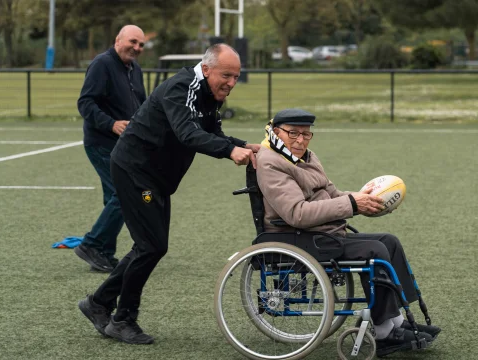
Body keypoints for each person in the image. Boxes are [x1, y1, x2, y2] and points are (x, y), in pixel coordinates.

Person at [78, 44, 259, 344]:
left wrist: (243, 144)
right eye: (226, 75)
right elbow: (187, 133)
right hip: (135, 172)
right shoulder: (182, 87)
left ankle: (98, 303)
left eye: (236, 77)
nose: (231, 82)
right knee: (150, 245)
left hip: (156, 178)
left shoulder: (211, 94)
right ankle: (122, 319)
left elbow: (212, 132)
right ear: (207, 68)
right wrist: (230, 151)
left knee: (152, 246)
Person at [255, 108, 441, 357]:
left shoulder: (306, 156)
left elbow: (333, 194)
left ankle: (396, 320)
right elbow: (296, 213)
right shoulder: (271, 163)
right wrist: (353, 205)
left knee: (389, 241)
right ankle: (385, 332)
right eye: (293, 134)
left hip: (322, 233)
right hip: (297, 237)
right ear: (277, 132)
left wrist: (366, 200)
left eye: (306, 134)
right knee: (375, 250)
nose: (300, 140)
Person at [73, 25, 147, 273]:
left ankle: (103, 252)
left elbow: (141, 104)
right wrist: (111, 124)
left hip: (124, 145)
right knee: (124, 194)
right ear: (118, 40)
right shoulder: (102, 64)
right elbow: (85, 102)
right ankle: (92, 244)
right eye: (133, 42)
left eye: (141, 45)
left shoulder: (134, 68)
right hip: (101, 143)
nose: (136, 48)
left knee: (113, 197)